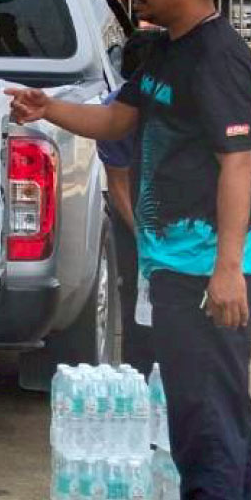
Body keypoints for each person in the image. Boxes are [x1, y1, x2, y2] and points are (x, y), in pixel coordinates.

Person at [9, 0, 251, 500]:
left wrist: (227, 269)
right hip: (176, 263)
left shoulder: (219, 58)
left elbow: (238, 164)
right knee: (215, 412)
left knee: (206, 420)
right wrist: (49, 108)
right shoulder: (163, 50)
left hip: (208, 269)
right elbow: (119, 122)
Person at [100, 28, 164, 377]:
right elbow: (118, 184)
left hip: (175, 215)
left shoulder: (177, 106)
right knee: (138, 303)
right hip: (134, 220)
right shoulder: (116, 114)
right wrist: (143, 237)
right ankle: (138, 374)